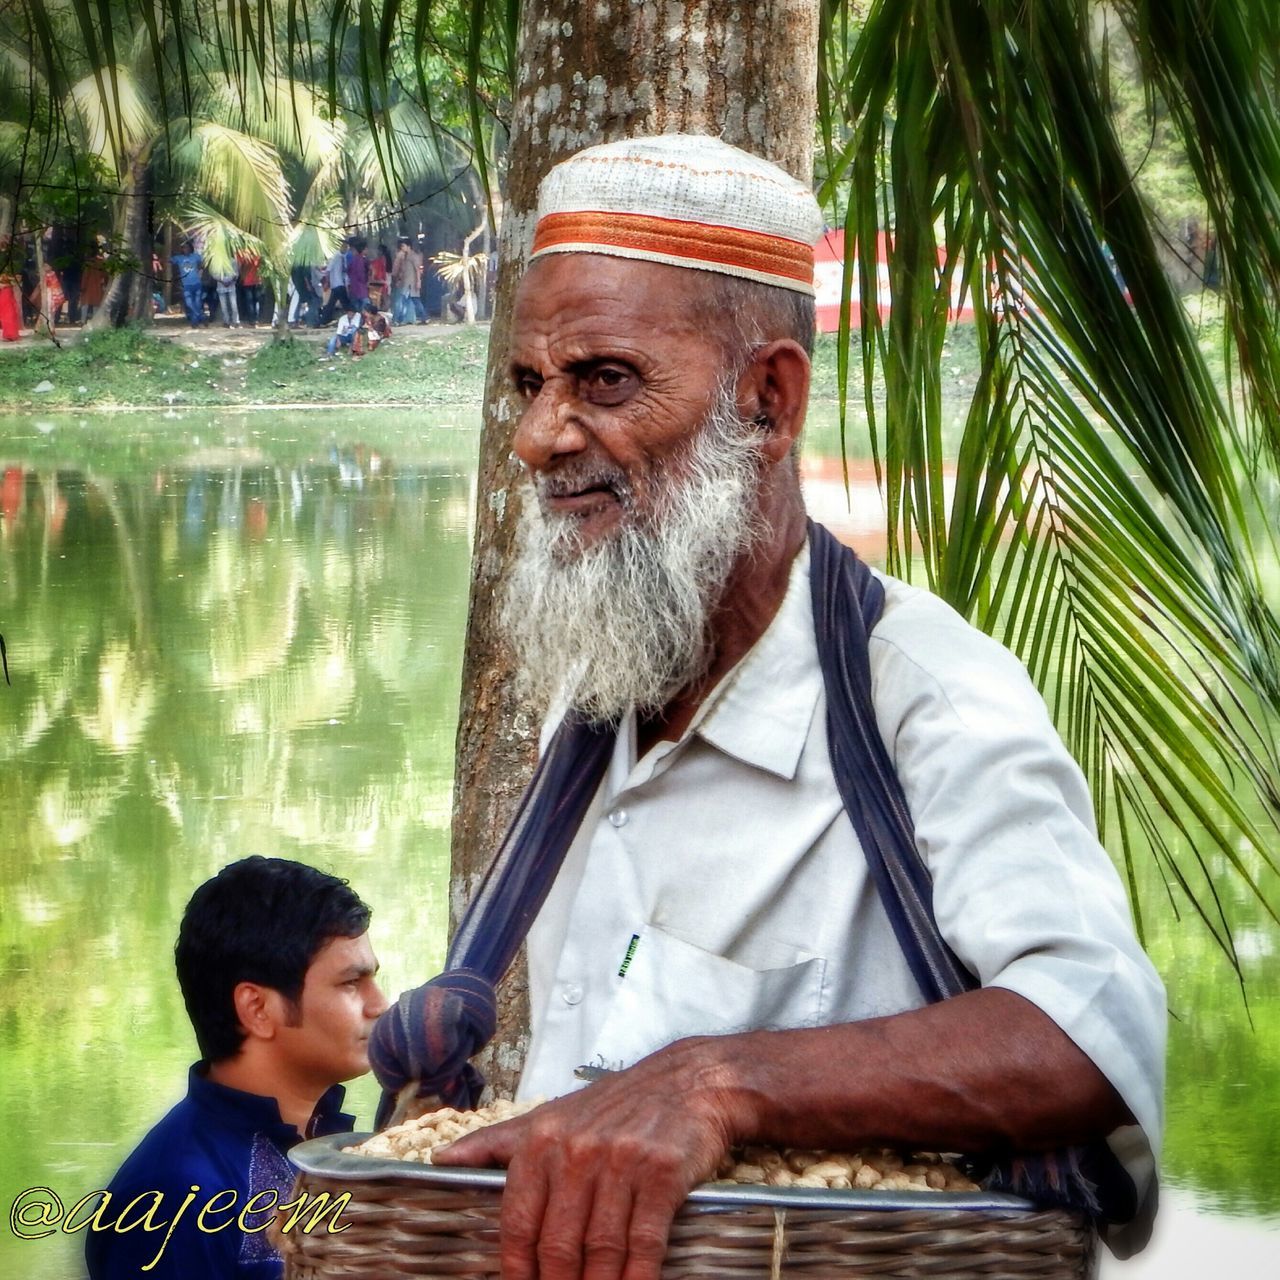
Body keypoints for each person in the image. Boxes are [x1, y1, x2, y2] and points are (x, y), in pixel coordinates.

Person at [370, 134, 1167, 1280]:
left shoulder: (921, 695)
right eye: (527, 384)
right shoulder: (597, 698)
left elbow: (1090, 1031)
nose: (541, 436)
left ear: (767, 398)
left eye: (603, 379)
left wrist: (717, 1080)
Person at [86, 856, 388, 1280]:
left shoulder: (330, 1144)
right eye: (351, 983)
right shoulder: (172, 1197)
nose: (380, 1005)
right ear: (258, 1008)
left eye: (372, 979)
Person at [390, 235, 417, 326]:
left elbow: (395, 269)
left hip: (401, 281)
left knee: (399, 300)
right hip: (410, 281)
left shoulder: (400, 255)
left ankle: (396, 319)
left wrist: (394, 279)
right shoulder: (412, 254)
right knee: (408, 300)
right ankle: (409, 318)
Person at [320, 242, 349, 324]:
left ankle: (324, 320)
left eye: (347, 247)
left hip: (341, 283)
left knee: (332, 303)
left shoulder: (343, 257)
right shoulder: (335, 257)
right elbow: (328, 270)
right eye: (344, 247)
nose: (346, 249)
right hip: (337, 283)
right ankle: (324, 320)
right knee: (345, 303)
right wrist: (327, 282)